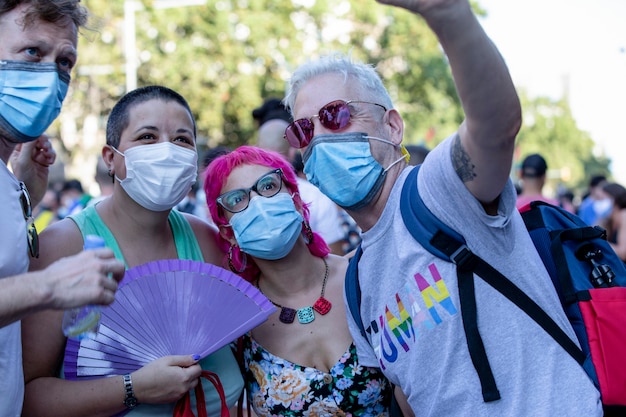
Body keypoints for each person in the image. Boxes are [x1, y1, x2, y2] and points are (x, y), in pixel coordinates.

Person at [281, 0, 602, 415]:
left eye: (336, 115)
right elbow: (410, 396)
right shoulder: (357, 283)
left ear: (393, 126)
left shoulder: (438, 188)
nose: (320, 138)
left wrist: (447, 14)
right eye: (304, 129)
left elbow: (496, 126)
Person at [21, 86, 244, 416]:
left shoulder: (206, 239)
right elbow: (27, 395)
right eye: (148, 137)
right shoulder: (62, 246)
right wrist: (133, 388)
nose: (166, 150)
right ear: (111, 158)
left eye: (182, 140)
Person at [0, 2, 125, 415]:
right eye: (33, 53)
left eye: (65, 61)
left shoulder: (9, 175)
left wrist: (24, 200)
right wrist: (48, 286)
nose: (51, 75)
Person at [204, 145, 394, 416]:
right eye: (237, 200)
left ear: (295, 200)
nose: (258, 203)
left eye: (268, 186)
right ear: (228, 233)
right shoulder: (238, 325)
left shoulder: (363, 275)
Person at [253, 98, 346, 255]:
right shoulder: (316, 196)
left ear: (257, 148)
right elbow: (336, 257)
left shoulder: (242, 198)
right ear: (292, 150)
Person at [600, 182, 626, 262]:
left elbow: (623, 253)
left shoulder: (623, 215)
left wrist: (599, 243)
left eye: (602, 199)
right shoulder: (609, 219)